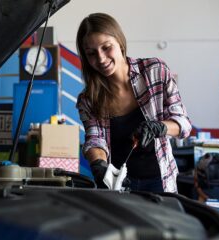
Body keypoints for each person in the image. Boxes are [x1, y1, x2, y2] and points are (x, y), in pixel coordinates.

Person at [75, 13, 191, 193]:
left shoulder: (155, 71)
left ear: (120, 43)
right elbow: (95, 139)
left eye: (106, 47)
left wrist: (158, 127)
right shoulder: (88, 99)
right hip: (117, 185)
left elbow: (183, 125)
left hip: (159, 180)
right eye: (91, 53)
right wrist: (98, 163)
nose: (101, 58)